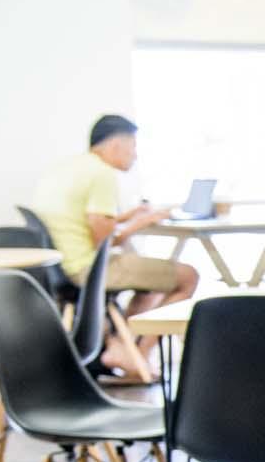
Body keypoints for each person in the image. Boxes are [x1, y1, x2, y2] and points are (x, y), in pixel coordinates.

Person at [30, 114, 197, 374]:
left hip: (58, 268)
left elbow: (85, 221)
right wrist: (141, 223)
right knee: (187, 276)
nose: (135, 155)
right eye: (133, 146)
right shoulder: (101, 173)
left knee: (151, 283)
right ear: (115, 145)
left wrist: (126, 217)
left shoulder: (68, 169)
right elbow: (105, 239)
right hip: (87, 268)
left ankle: (122, 346)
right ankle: (137, 356)